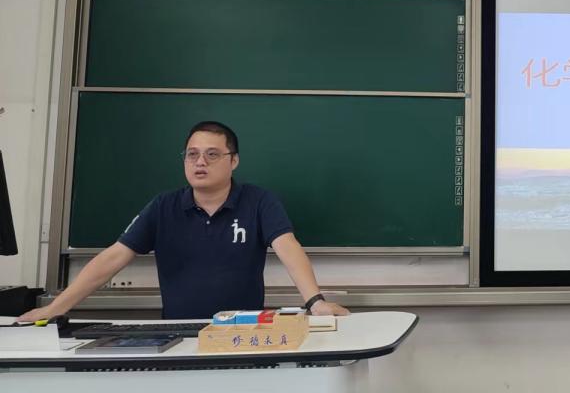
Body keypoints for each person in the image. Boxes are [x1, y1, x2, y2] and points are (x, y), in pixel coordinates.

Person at [19, 121, 348, 321]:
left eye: (212, 154)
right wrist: (55, 308)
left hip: (242, 334)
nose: (200, 162)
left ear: (233, 161)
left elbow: (288, 248)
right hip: (177, 333)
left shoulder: (259, 201)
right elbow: (113, 258)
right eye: (192, 154)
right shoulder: (164, 206)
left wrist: (314, 301)